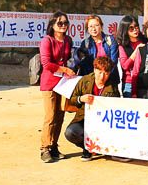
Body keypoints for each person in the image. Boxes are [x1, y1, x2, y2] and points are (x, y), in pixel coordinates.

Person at [63, 56, 119, 160]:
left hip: (104, 122)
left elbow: (116, 105)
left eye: (106, 73)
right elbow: (72, 99)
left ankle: (107, 149)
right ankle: (88, 149)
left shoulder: (113, 84)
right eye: (99, 72)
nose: (102, 77)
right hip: (83, 119)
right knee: (70, 132)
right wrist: (81, 99)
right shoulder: (85, 80)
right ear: (94, 70)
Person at [38, 11, 75, 163]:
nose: (63, 26)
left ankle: (54, 146)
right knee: (50, 115)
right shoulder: (47, 40)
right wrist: (65, 69)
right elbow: (46, 64)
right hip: (49, 83)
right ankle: (44, 148)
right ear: (52, 25)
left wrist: (71, 69)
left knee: (60, 115)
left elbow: (69, 59)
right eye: (59, 23)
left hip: (63, 83)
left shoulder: (68, 40)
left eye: (65, 23)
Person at [71, 15, 119, 88]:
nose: (93, 29)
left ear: (101, 26)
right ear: (87, 29)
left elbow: (113, 62)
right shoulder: (85, 43)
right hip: (92, 81)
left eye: (96, 25)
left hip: (109, 79)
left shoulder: (110, 40)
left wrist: (104, 77)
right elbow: (85, 65)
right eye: (90, 26)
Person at [116, 15, 145, 97]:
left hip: (145, 81)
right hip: (129, 83)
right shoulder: (122, 46)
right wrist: (137, 50)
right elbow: (125, 66)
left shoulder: (145, 40)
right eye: (131, 28)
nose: (135, 30)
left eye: (136, 27)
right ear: (125, 30)